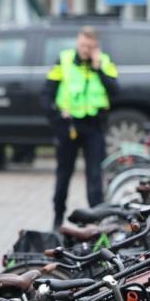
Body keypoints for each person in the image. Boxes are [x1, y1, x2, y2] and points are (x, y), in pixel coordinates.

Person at [44, 26, 118, 229]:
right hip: (68, 126)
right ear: (78, 42)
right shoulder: (64, 60)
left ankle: (97, 221)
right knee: (63, 174)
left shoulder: (105, 62)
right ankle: (57, 219)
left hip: (94, 125)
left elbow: (115, 91)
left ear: (96, 46)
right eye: (83, 45)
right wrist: (56, 115)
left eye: (89, 46)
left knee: (95, 176)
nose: (85, 50)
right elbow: (47, 92)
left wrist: (98, 68)